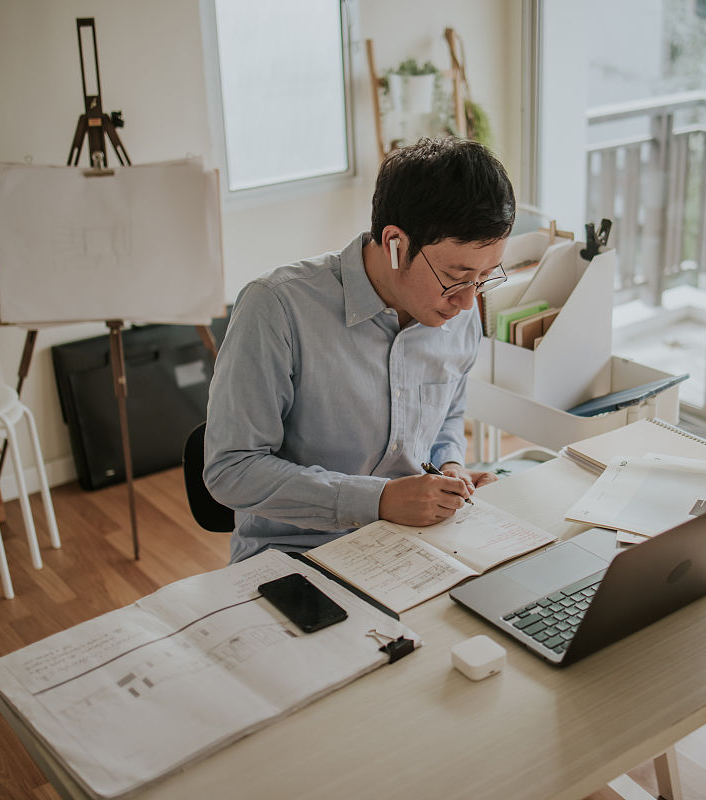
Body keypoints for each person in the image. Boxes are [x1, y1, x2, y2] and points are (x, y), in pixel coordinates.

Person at [204, 137, 516, 562]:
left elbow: (445, 420)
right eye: (455, 277)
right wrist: (378, 500)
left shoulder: (458, 309)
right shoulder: (277, 306)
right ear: (395, 243)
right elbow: (232, 469)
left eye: (484, 277)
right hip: (295, 554)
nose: (466, 302)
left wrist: (450, 468)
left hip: (413, 546)